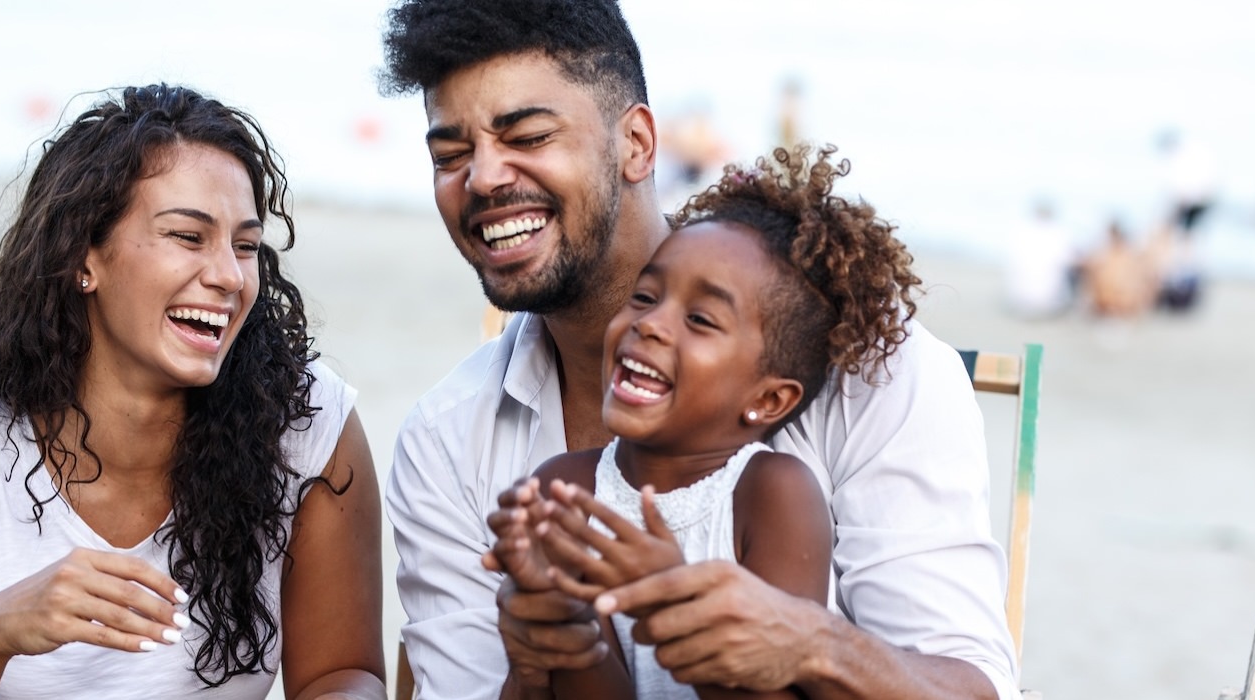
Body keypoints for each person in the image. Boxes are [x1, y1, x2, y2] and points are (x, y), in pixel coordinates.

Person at [378, 2, 1018, 699]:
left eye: (527, 135)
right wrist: (543, 653)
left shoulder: (863, 362)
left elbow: (970, 686)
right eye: (449, 155)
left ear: (637, 144)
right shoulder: (447, 440)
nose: (481, 178)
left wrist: (805, 640)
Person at [0, 84, 386, 699]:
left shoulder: (304, 424)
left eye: (247, 246)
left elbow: (345, 674)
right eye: (187, 236)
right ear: (84, 258)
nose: (229, 276)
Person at [485, 145, 916, 699]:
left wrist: (670, 602)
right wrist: (563, 623)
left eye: (700, 319)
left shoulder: (772, 494)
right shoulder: (563, 488)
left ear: (769, 399)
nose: (651, 324)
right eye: (645, 296)